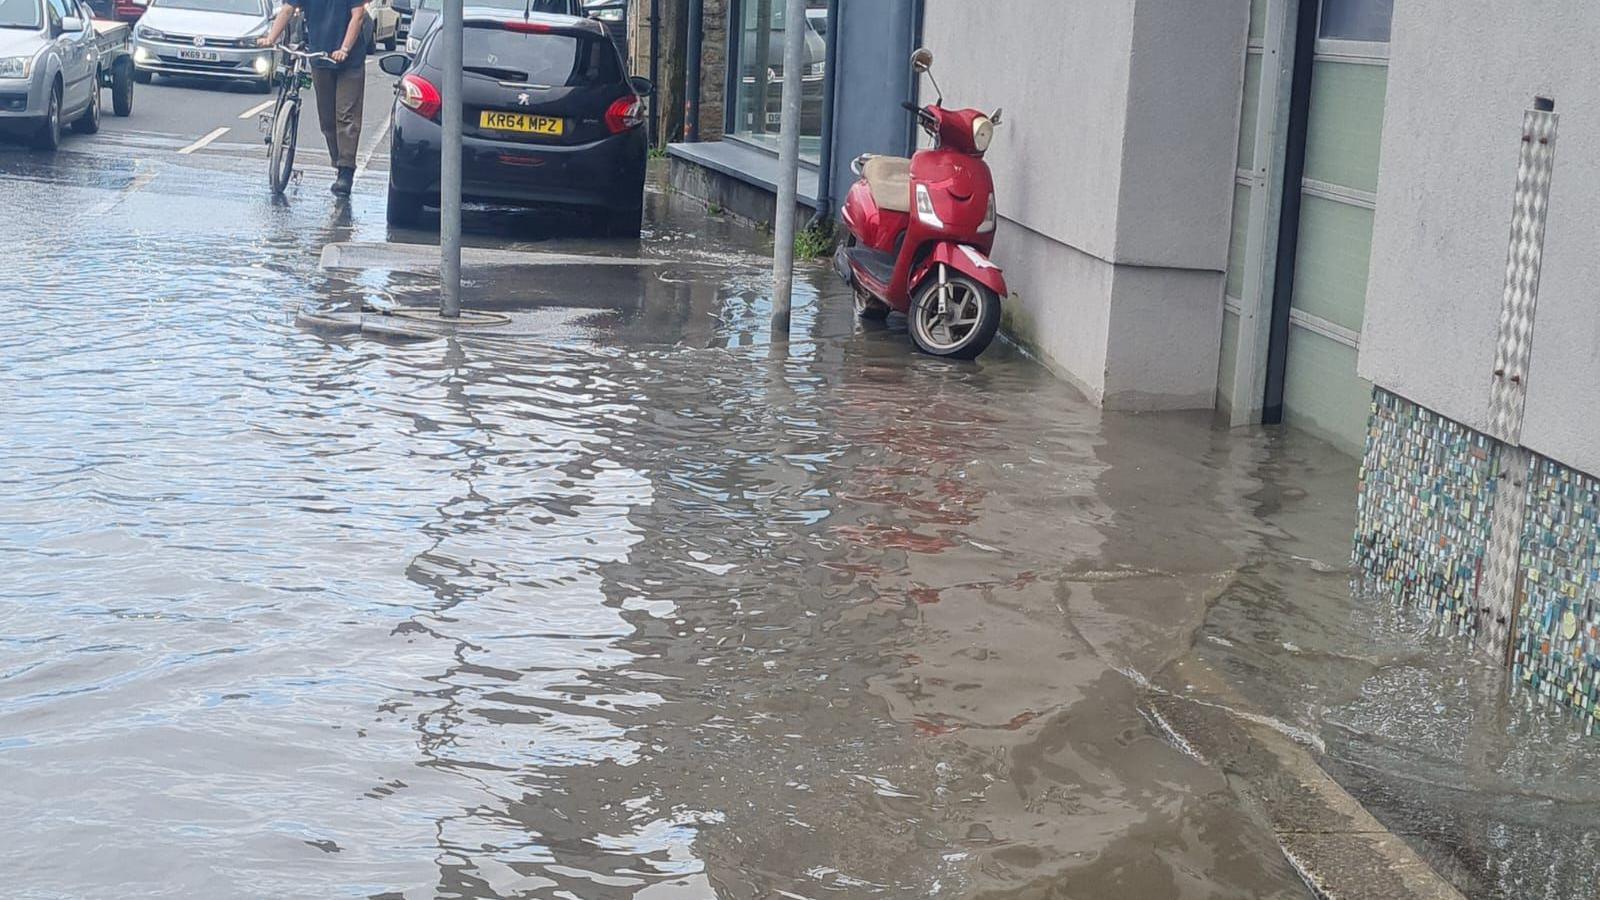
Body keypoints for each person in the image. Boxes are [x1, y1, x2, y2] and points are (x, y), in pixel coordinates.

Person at [259, 0, 369, 196]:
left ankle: (346, 171)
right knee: (327, 120)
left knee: (346, 116)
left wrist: (344, 49)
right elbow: (287, 9)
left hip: (349, 61)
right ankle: (339, 162)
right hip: (320, 58)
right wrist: (271, 38)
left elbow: (358, 15)